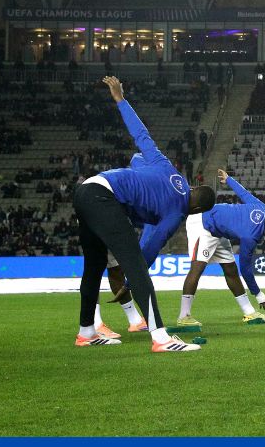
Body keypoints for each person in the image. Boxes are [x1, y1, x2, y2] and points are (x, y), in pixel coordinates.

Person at [73, 76, 215, 352]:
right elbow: (147, 250)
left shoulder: (167, 167)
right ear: (196, 209)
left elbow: (142, 137)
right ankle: (161, 338)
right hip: (104, 198)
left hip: (86, 189)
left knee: (93, 268)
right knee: (137, 267)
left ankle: (86, 331)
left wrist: (120, 100)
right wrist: (129, 281)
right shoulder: (176, 213)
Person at [175, 169, 265, 328]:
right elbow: (246, 269)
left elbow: (244, 194)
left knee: (231, 270)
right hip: (203, 222)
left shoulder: (263, 209)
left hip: (218, 229)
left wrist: (229, 179)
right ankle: (184, 316)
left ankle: (249, 312)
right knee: (197, 268)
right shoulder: (251, 236)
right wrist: (259, 294)